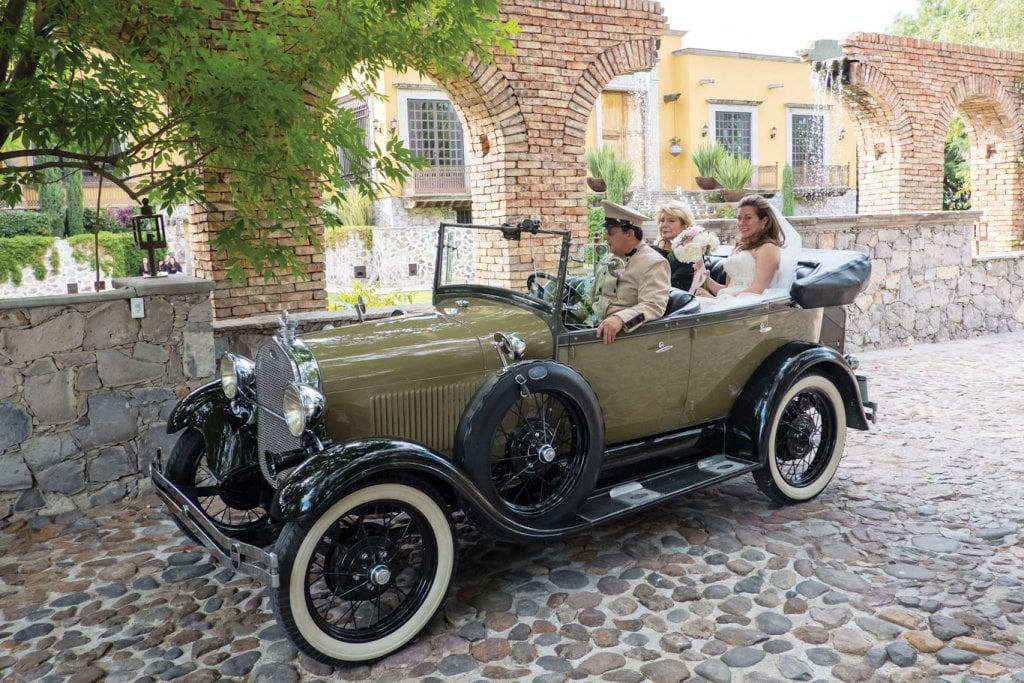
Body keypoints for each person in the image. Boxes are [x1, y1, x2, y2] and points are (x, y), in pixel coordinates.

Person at [698, 194, 801, 300]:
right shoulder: (738, 248)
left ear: (764, 220)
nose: (741, 223)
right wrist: (705, 278)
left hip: (752, 306)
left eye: (748, 218)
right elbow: (729, 289)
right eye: (739, 218)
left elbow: (758, 290)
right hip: (731, 302)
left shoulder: (768, 248)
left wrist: (715, 299)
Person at [596, 200, 671, 344]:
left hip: (623, 338)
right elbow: (596, 294)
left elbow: (654, 305)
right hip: (594, 329)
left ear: (629, 234)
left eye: (610, 232)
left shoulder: (654, 263)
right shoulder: (610, 257)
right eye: (606, 232)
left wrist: (620, 318)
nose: (605, 237)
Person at [651, 201, 699, 291]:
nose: (664, 225)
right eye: (662, 221)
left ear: (684, 226)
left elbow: (678, 286)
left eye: (671, 221)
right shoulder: (651, 251)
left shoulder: (691, 253)